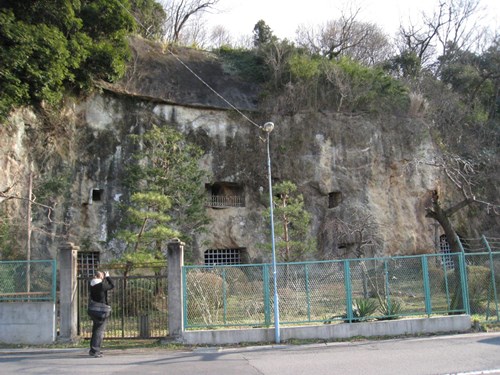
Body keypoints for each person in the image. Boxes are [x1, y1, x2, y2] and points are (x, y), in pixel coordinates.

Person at [88, 270, 114, 358]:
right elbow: (112, 285)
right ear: (101, 276)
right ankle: (95, 351)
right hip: (101, 310)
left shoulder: (91, 284)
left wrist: (103, 277)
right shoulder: (101, 285)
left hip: (93, 309)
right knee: (99, 331)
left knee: (95, 330)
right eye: (103, 275)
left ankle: (92, 350)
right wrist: (108, 277)